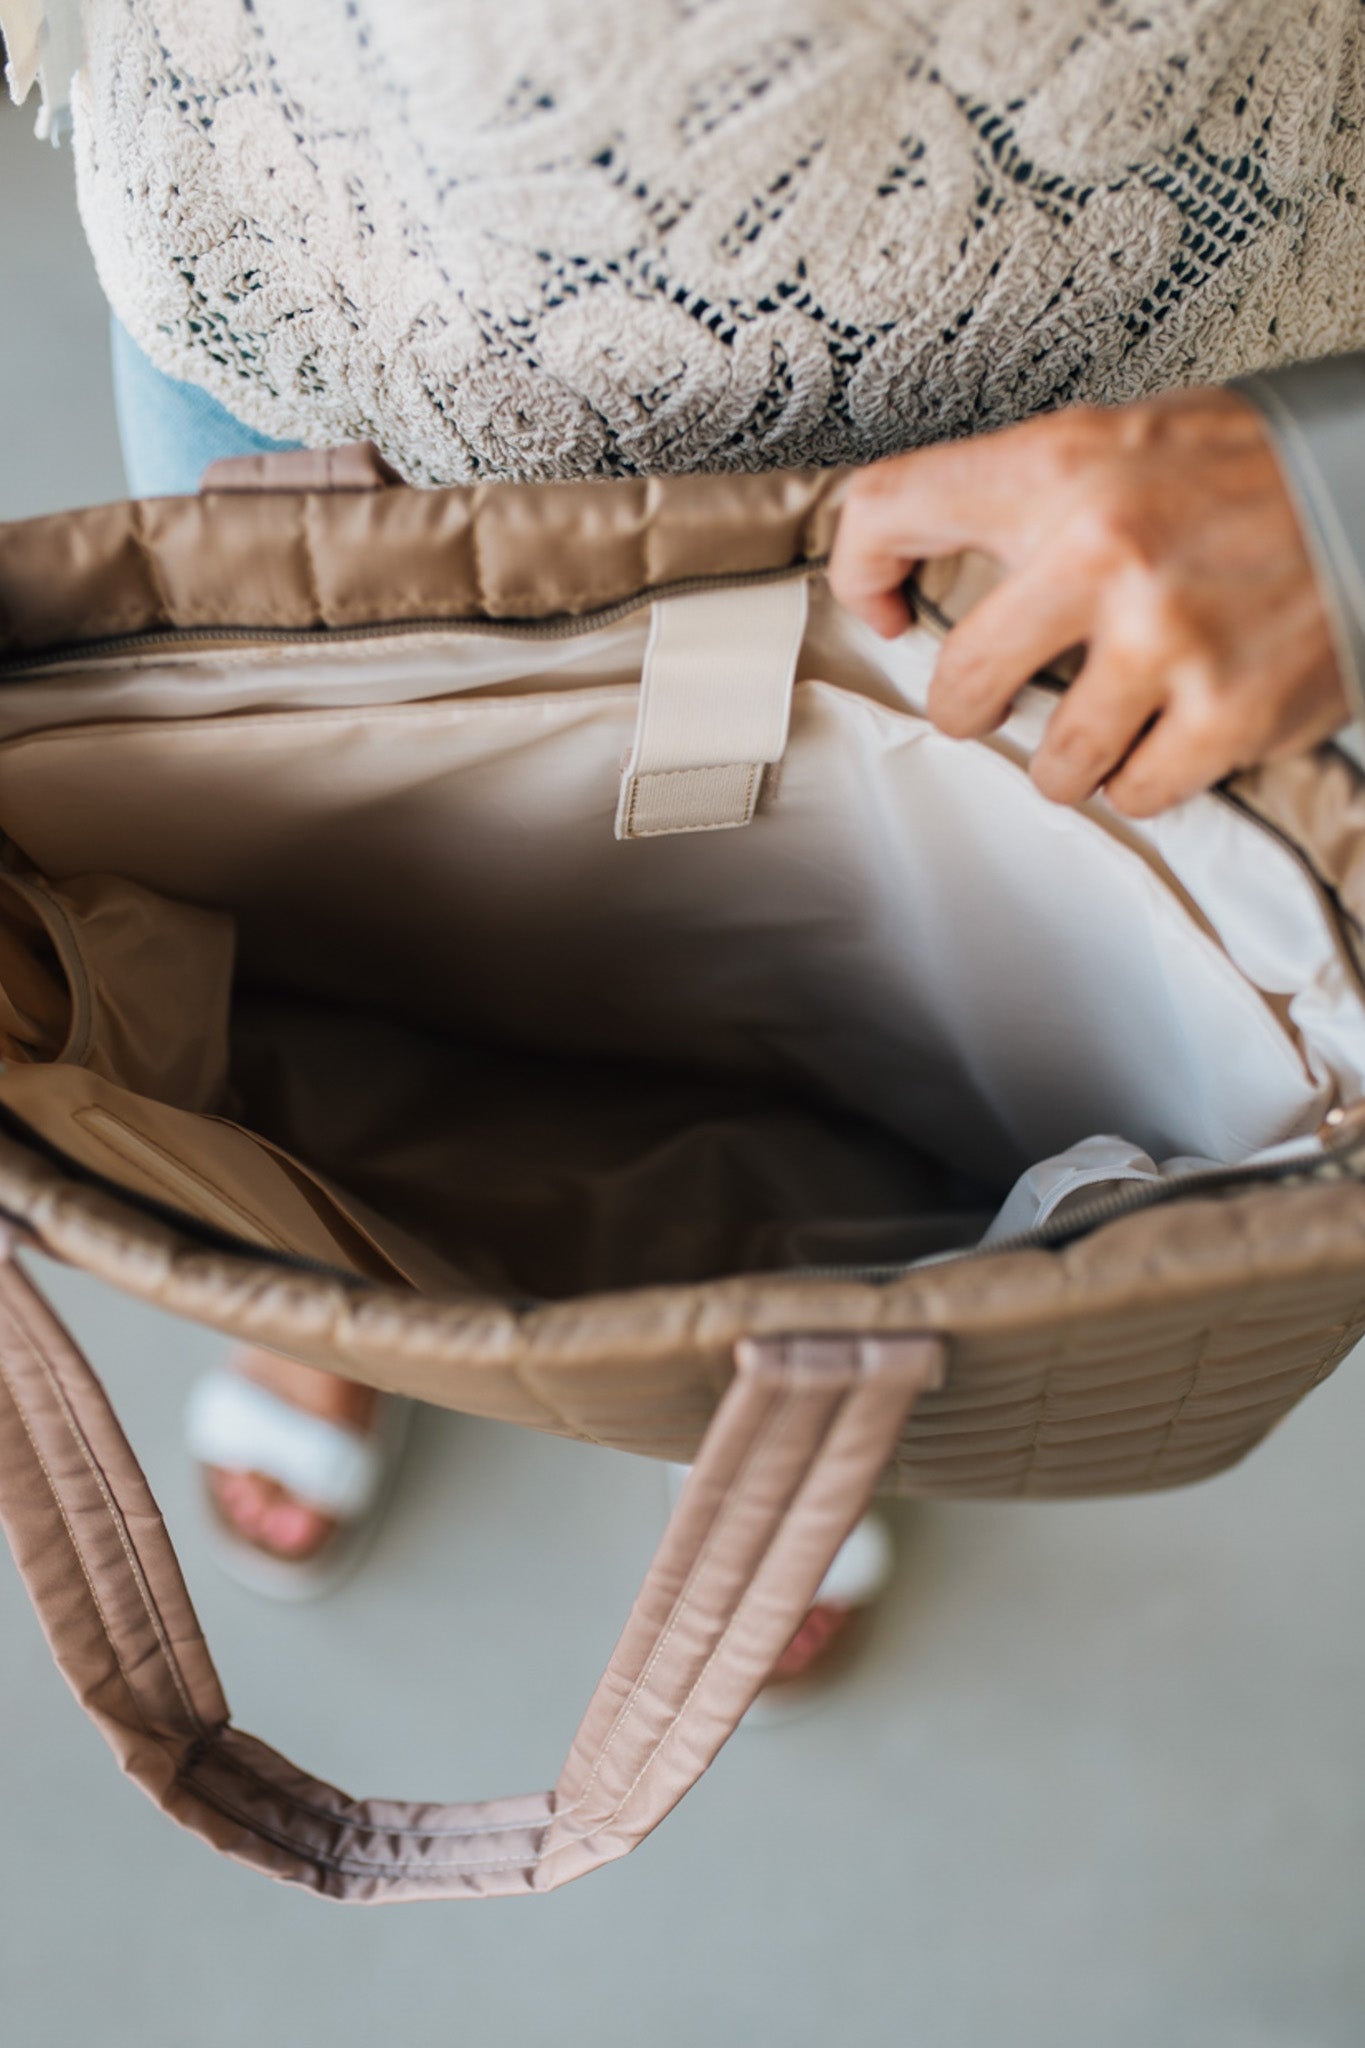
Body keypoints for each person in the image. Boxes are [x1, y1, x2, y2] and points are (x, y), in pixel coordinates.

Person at [7, 0, 1365, 1683]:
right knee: (247, 991)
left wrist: (1340, 491)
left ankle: (666, 1366)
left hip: (1081, 401)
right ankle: (352, 1285)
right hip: (332, 231)